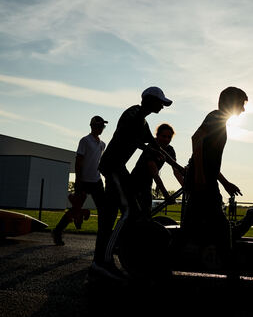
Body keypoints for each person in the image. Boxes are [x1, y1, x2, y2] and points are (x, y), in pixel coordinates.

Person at [93, 86, 177, 279]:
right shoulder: (133, 113)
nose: (163, 107)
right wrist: (144, 147)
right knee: (128, 212)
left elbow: (155, 145)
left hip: (120, 169)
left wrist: (178, 167)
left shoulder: (143, 120)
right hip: (112, 167)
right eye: (160, 103)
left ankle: (106, 258)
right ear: (149, 100)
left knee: (118, 214)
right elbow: (126, 136)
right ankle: (103, 262)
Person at [182, 87, 247, 269]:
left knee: (190, 228)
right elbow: (196, 139)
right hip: (203, 183)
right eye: (241, 104)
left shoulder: (220, 120)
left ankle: (164, 268)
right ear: (232, 103)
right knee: (221, 228)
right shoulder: (216, 116)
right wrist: (201, 176)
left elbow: (209, 160)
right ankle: (232, 273)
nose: (243, 109)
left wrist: (225, 182)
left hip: (205, 181)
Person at [52, 116, 108, 246]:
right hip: (83, 180)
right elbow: (79, 161)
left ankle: (103, 238)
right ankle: (57, 231)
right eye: (99, 126)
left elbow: (98, 162)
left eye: (103, 127)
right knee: (75, 209)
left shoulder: (102, 144)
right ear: (92, 126)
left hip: (97, 181)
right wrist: (78, 179)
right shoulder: (85, 141)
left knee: (103, 210)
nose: (101, 129)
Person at [130, 123, 184, 217]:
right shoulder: (151, 147)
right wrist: (166, 194)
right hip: (136, 182)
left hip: (147, 182)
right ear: (157, 135)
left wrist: (185, 186)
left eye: (169, 137)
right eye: (163, 136)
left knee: (146, 212)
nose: (166, 139)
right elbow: (154, 173)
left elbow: (176, 170)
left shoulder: (170, 150)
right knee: (136, 213)